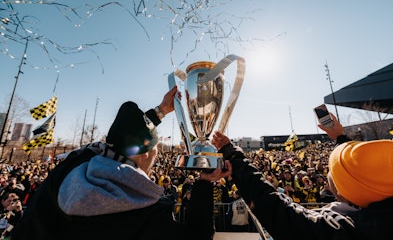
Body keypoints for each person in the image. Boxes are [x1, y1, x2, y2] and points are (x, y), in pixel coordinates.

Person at [11, 85, 232, 240]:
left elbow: (123, 132)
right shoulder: (141, 207)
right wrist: (204, 182)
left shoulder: (74, 164)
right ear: (145, 154)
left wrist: (161, 110)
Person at [212, 113, 393, 239]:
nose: (326, 176)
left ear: (350, 190)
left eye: (332, 172)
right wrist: (340, 137)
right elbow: (366, 170)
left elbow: (277, 210)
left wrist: (234, 157)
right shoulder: (383, 211)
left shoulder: (346, 229)